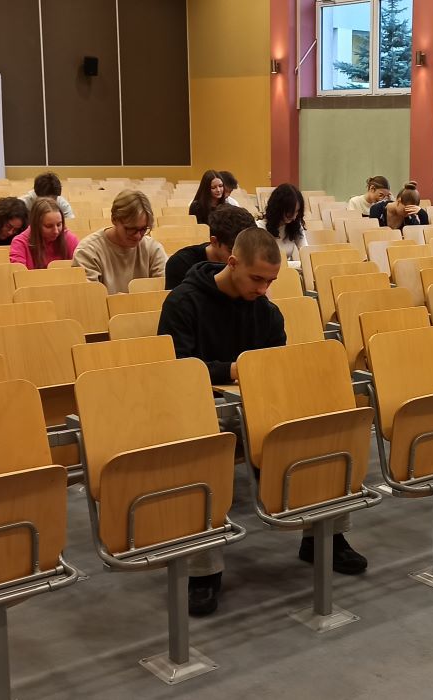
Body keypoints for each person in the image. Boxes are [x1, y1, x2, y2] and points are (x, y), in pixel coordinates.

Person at [157, 228, 368, 616]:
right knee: (204, 451)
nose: (263, 289)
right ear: (232, 263)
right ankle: (202, 570)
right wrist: (231, 370)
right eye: (256, 279)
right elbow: (174, 368)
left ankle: (325, 537)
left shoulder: (267, 312)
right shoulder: (183, 302)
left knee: (320, 429)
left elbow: (275, 369)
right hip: (200, 409)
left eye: (270, 281)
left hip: (256, 406)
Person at [72, 190, 167, 294]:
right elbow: (90, 298)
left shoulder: (153, 249)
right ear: (114, 219)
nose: (138, 236)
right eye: (131, 229)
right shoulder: (87, 251)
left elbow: (165, 293)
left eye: (143, 229)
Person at [165, 205, 256, 289]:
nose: (241, 259)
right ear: (214, 241)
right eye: (231, 251)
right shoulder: (181, 263)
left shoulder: (249, 262)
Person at [9, 198, 77, 270]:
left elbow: (80, 269)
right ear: (36, 225)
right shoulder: (20, 242)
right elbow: (20, 274)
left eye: (59, 224)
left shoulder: (69, 238)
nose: (56, 231)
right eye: (49, 226)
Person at [255, 183, 306, 263]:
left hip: (287, 269)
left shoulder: (295, 225)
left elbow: (305, 251)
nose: (294, 217)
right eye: (290, 212)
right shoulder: (259, 228)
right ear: (279, 208)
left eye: (297, 211)